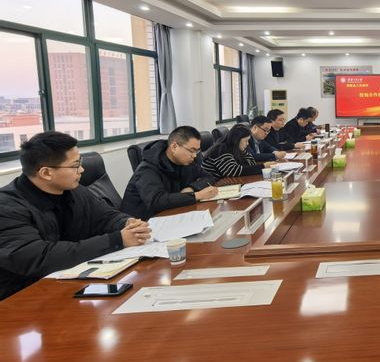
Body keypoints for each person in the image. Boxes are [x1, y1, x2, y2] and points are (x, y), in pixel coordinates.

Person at [0, 131, 151, 300]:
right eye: (75, 165)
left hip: (70, 282)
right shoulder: (6, 208)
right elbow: (40, 257)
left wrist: (127, 223)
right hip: (21, 297)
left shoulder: (74, 190)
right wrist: (117, 240)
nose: (82, 169)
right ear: (46, 173)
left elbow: (105, 216)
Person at [121, 126, 218, 219]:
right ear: (174, 147)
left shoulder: (186, 162)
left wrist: (191, 188)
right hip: (142, 222)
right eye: (191, 151)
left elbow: (208, 177)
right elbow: (157, 201)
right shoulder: (148, 168)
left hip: (171, 213)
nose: (194, 156)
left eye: (197, 151)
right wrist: (197, 195)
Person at [202, 124, 270, 180]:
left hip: (226, 181)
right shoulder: (221, 150)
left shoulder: (236, 148)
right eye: (245, 141)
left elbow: (251, 162)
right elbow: (234, 171)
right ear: (237, 140)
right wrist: (263, 166)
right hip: (214, 185)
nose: (247, 144)